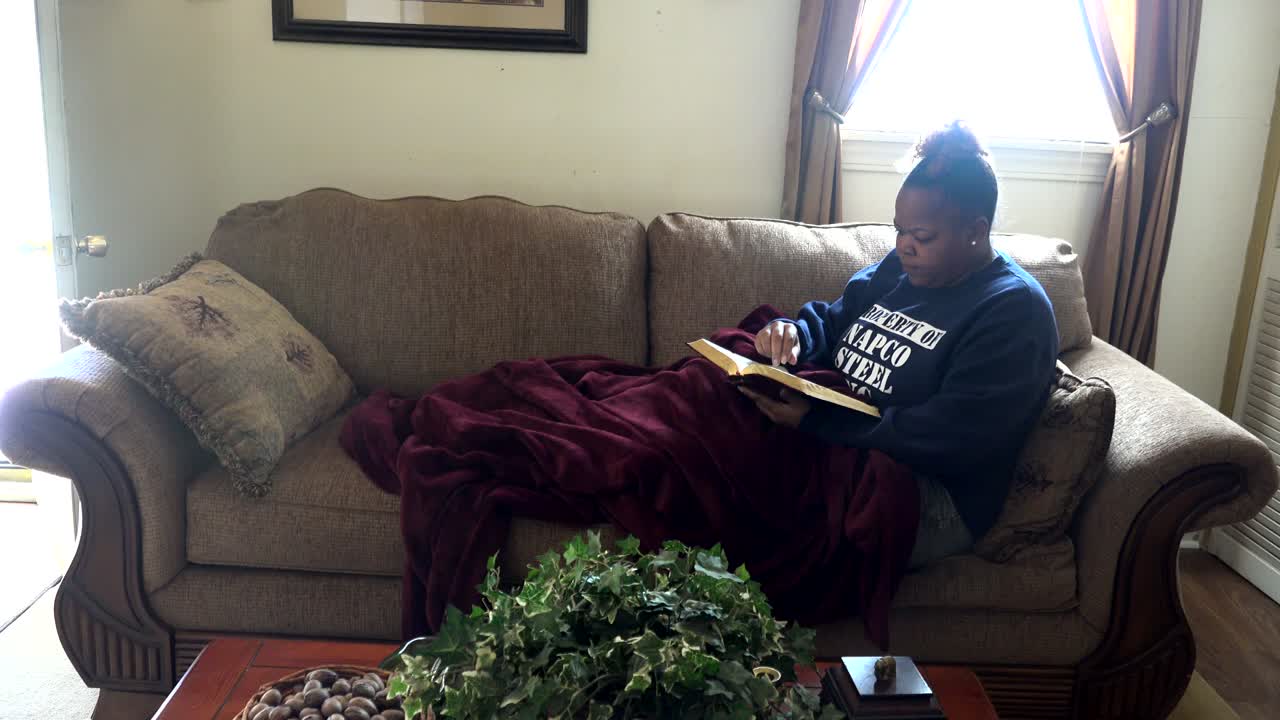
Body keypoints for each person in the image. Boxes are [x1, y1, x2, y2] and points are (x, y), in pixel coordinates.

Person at [738, 121, 1059, 568]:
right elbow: (833, 320)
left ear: (976, 231)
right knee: (712, 409)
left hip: (925, 486)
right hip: (838, 434)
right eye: (899, 231)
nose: (905, 247)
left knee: (741, 485)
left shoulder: (1014, 311)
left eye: (922, 237)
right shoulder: (901, 268)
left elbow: (948, 436)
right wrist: (793, 334)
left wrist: (817, 422)